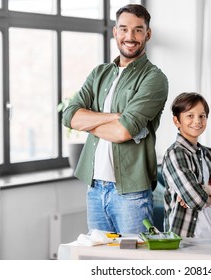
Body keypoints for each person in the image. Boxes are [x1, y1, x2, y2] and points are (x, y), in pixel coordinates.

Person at [62, 4, 169, 234]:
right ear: (115, 32)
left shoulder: (154, 78)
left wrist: (89, 122)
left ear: (148, 34)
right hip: (95, 189)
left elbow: (123, 132)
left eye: (138, 30)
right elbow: (70, 116)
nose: (130, 37)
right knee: (100, 260)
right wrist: (112, 117)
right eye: (124, 29)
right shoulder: (99, 73)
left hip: (131, 194)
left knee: (134, 262)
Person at [162, 92, 211, 239]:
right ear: (177, 121)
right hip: (184, 240)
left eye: (202, 116)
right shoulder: (175, 154)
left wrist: (206, 189)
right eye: (190, 116)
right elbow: (196, 200)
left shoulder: (208, 154)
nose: (197, 121)